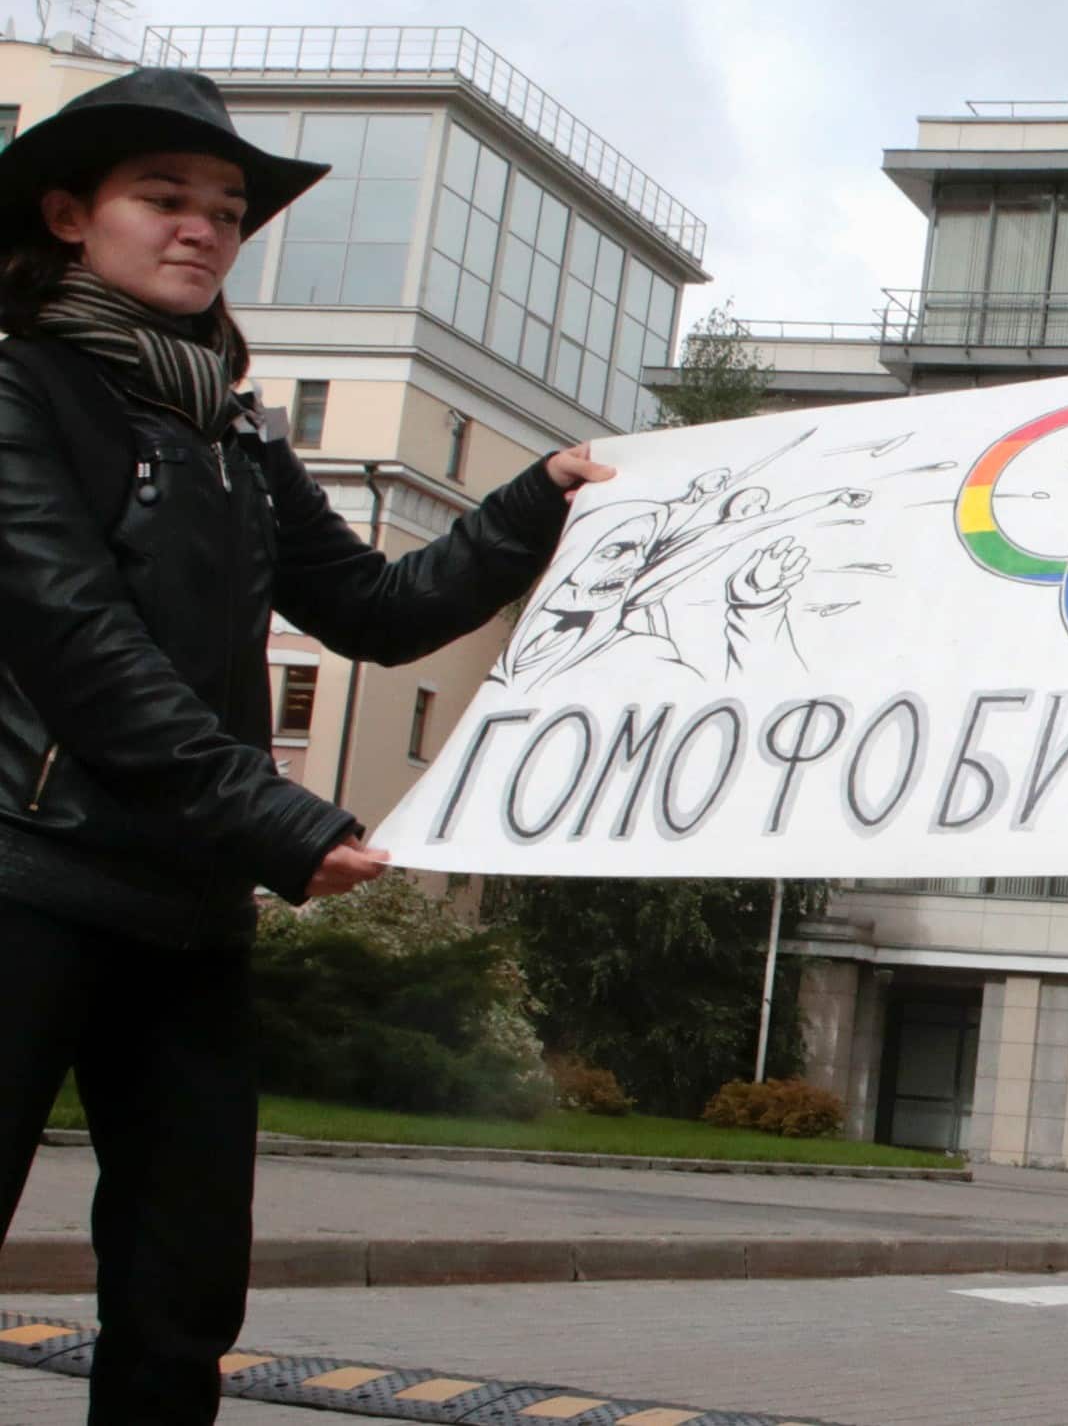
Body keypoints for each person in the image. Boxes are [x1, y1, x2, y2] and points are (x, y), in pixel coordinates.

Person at [0, 69, 611, 1426]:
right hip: (25, 884)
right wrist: (280, 820)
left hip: (189, 914)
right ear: (65, 214)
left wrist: (537, 499)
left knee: (181, 1292)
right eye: (164, 199)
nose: (203, 230)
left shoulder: (234, 430)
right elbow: (81, 650)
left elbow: (375, 613)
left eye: (225, 210)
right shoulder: (21, 393)